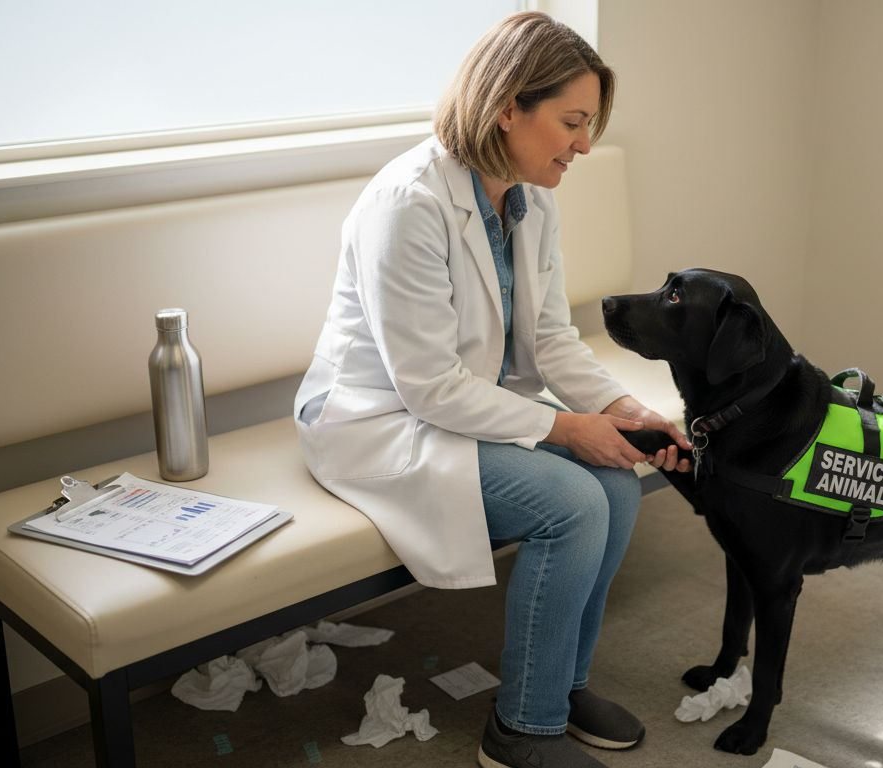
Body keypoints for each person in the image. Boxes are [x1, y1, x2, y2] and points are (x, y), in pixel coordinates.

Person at [292, 11, 691, 768]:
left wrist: (617, 409)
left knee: (614, 483)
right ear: (509, 105)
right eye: (572, 122)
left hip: (457, 400)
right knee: (573, 505)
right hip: (373, 418)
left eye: (590, 124)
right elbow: (426, 385)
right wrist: (566, 429)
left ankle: (558, 685)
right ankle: (521, 732)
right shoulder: (406, 204)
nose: (583, 145)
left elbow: (547, 339)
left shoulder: (530, 197)